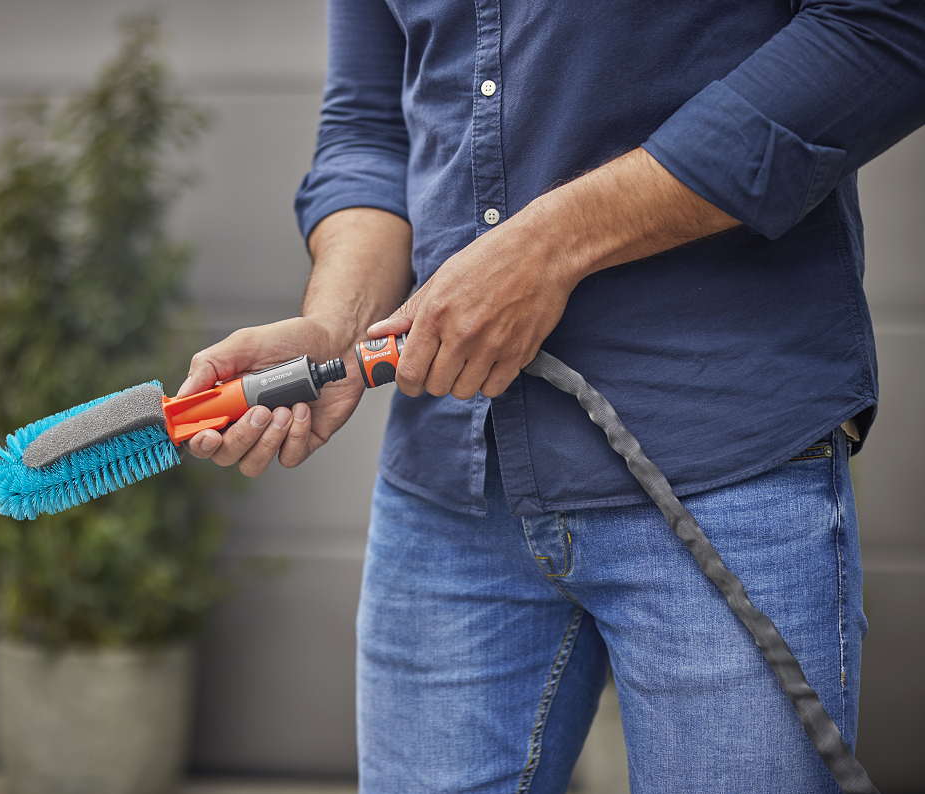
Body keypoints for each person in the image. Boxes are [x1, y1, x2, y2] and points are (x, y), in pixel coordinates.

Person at [175, 0, 925, 790]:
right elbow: (372, 125)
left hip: (723, 458)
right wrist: (336, 321)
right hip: (450, 490)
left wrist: (553, 244)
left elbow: (879, 30)